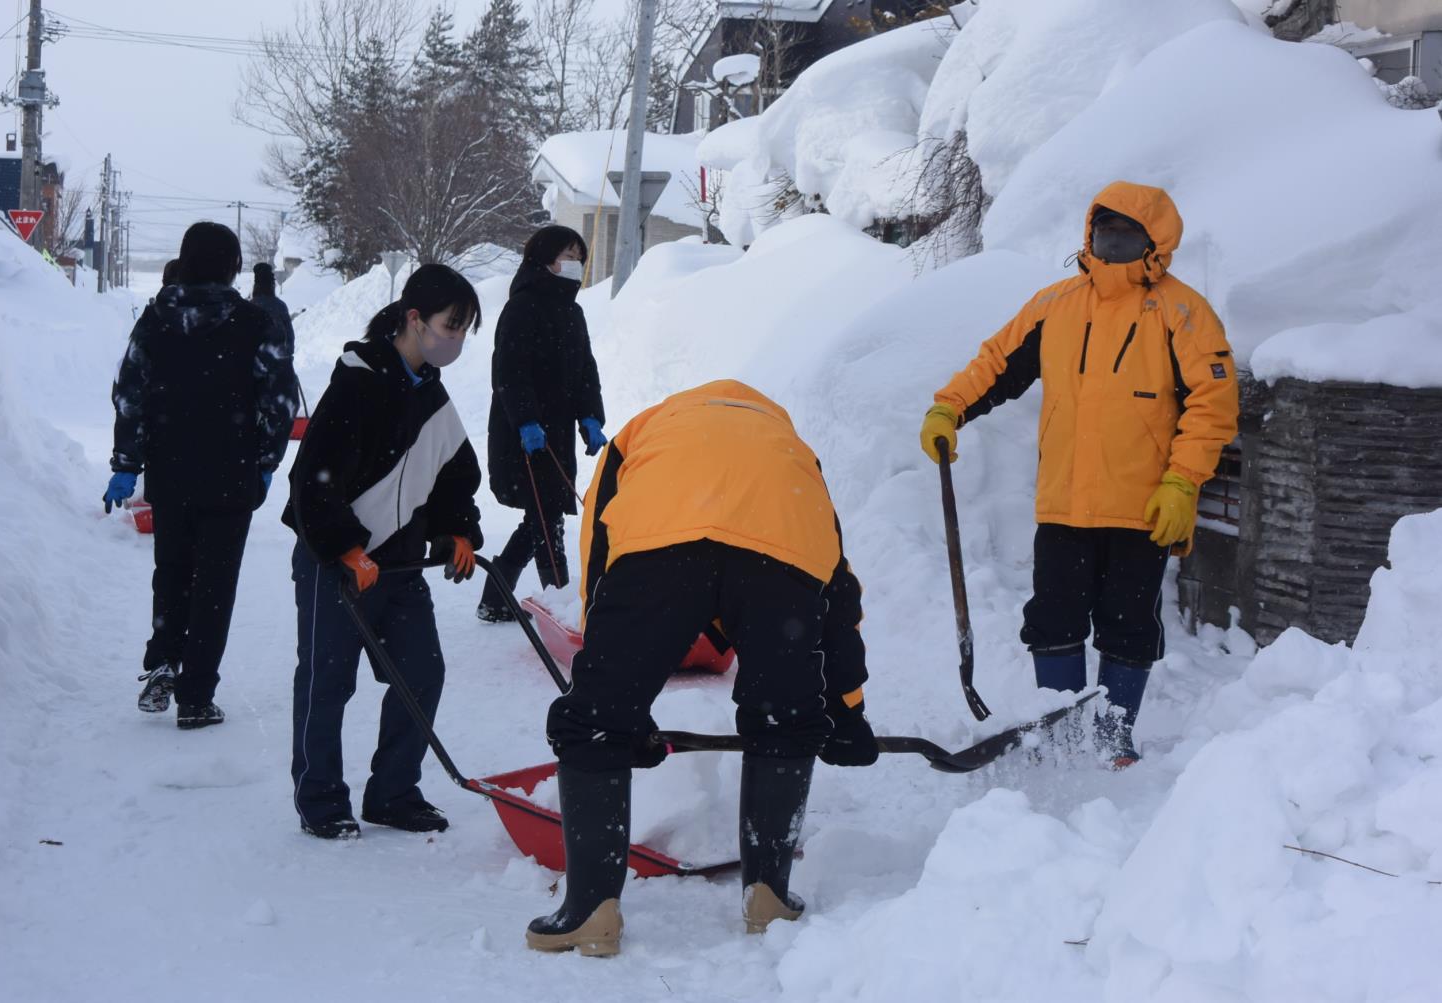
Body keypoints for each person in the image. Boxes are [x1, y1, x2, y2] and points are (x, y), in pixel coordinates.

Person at [525, 379, 879, 957]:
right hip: (778, 553)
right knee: (784, 719)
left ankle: (588, 912)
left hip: (661, 543)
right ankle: (768, 898)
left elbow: (597, 547)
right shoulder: (791, 448)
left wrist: (611, 692)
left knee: (594, 721)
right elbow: (838, 593)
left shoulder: (644, 431)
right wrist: (847, 711)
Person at [918, 181, 1239, 767]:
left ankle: (1112, 737)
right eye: (1103, 232)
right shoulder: (1056, 305)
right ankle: (1063, 733)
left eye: (1127, 235)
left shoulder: (1183, 312)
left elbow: (1212, 405)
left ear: (1155, 244)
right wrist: (950, 408)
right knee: (1053, 620)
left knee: (1128, 624)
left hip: (1143, 505)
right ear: (1088, 235)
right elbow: (997, 364)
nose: (1112, 244)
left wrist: (1182, 481)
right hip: (1064, 503)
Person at [283, 264, 485, 840]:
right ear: (415, 319)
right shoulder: (358, 383)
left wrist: (457, 531)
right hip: (335, 565)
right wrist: (344, 547)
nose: (456, 340)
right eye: (450, 326)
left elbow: (454, 473)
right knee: (327, 681)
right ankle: (321, 799)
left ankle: (393, 793)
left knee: (422, 672)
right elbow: (311, 481)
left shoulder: (431, 395)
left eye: (464, 330)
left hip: (398, 564)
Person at [106, 222, 298, 729]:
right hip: (231, 473)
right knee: (215, 583)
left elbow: (130, 393)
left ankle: (163, 660)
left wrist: (126, 463)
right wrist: (266, 462)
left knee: (171, 570)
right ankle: (195, 696)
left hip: (169, 471)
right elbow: (279, 400)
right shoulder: (255, 323)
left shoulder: (155, 319)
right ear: (233, 267)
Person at [477, 225, 606, 622]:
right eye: (568, 255)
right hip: (523, 434)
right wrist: (527, 421)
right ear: (544, 259)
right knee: (546, 521)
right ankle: (563, 605)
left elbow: (585, 370)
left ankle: (496, 598)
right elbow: (509, 372)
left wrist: (590, 416)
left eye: (579, 257)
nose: (575, 263)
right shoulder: (522, 306)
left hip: (557, 432)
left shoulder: (572, 312)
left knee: (542, 518)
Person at [250, 261, 295, 359]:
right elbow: (290, 338)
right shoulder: (280, 306)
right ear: (272, 285)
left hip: (254, 362)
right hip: (279, 360)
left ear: (255, 285)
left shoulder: (248, 306)